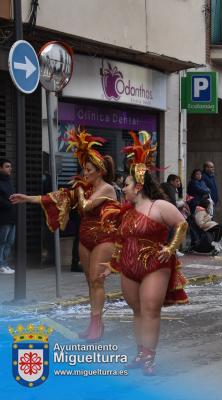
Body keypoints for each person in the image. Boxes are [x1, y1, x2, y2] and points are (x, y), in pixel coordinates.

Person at [11, 128, 119, 340]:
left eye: (88, 170)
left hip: (103, 238)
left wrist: (78, 191)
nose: (85, 173)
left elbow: (87, 206)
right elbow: (56, 198)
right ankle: (94, 323)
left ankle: (97, 326)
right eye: (84, 169)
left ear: (100, 171)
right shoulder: (84, 187)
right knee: (89, 281)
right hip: (85, 237)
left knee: (97, 281)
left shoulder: (106, 188)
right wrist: (28, 199)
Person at [100, 131, 188, 375]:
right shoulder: (126, 212)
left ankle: (149, 356)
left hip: (155, 265)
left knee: (150, 309)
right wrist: (112, 265)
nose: (122, 188)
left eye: (126, 185)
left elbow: (182, 224)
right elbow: (120, 240)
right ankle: (140, 353)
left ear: (138, 187)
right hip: (129, 267)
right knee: (137, 310)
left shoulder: (159, 206)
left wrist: (170, 248)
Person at [0, 158, 16, 274]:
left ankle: (4, 263)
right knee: (2, 241)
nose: (10, 168)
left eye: (10, 166)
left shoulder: (9, 180)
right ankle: (1, 265)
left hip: (11, 216)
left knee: (10, 241)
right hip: (3, 217)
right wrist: (8, 203)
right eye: (7, 166)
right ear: (0, 168)